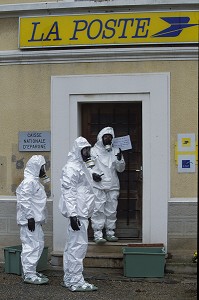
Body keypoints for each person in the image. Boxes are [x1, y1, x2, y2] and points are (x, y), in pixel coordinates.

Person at [59, 136, 99, 292]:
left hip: (80, 212)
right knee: (78, 248)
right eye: (85, 150)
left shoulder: (81, 166)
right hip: (78, 213)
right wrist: (73, 214)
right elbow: (68, 192)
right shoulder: (71, 168)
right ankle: (76, 281)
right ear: (78, 150)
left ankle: (69, 278)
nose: (87, 153)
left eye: (88, 149)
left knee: (71, 247)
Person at [16, 155, 50, 285]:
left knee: (38, 245)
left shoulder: (34, 182)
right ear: (36, 167)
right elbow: (24, 200)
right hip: (30, 221)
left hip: (35, 221)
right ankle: (29, 274)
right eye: (42, 167)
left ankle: (31, 271)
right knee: (31, 246)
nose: (44, 170)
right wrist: (29, 217)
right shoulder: (29, 182)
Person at [91, 127, 125, 244]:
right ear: (101, 137)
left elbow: (120, 169)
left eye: (110, 137)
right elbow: (88, 168)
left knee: (111, 211)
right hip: (98, 186)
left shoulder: (116, 151)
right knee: (98, 210)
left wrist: (120, 160)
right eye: (106, 137)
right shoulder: (93, 151)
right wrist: (93, 175)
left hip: (113, 185)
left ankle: (110, 232)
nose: (108, 139)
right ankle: (98, 234)